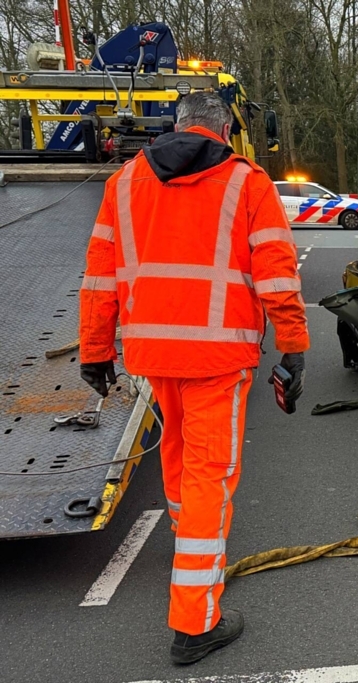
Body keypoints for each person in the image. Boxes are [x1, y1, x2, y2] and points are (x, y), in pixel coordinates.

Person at [78, 92, 309, 665]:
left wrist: (95, 350)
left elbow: (100, 277)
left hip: (153, 355)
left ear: (175, 127)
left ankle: (191, 548)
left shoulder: (126, 183)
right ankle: (195, 622)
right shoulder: (245, 182)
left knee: (178, 455)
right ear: (226, 129)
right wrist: (294, 348)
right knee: (210, 475)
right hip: (218, 357)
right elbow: (276, 275)